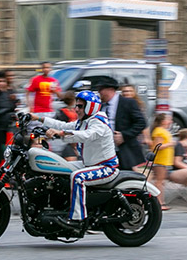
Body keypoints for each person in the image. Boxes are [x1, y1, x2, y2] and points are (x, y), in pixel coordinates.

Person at [29, 89, 119, 229]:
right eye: (76, 105)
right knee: (60, 168)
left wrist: (61, 134)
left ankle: (77, 219)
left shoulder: (99, 122)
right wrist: (38, 118)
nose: (76, 109)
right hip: (88, 164)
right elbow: (63, 125)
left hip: (106, 167)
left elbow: (86, 135)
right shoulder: (84, 121)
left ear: (90, 106)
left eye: (80, 106)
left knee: (78, 178)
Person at [96, 77, 146, 171]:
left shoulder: (128, 103)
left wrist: (124, 135)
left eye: (101, 89)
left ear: (110, 89)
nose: (99, 92)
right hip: (106, 152)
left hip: (125, 152)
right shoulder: (101, 106)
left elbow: (141, 123)